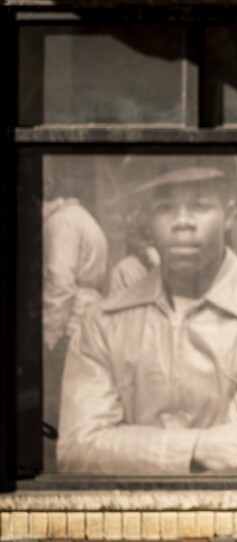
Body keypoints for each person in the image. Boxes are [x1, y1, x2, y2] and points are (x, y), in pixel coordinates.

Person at [58, 166, 237, 474]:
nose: (183, 222)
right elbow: (77, 448)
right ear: (147, 221)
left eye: (200, 205)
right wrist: (197, 447)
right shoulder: (102, 323)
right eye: (165, 208)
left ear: (229, 213)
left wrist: (126, 446)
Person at [42, 167, 109, 471]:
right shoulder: (81, 217)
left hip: (70, 323)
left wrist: (49, 336)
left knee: (61, 403)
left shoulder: (61, 222)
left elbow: (59, 282)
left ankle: (59, 468)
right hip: (87, 315)